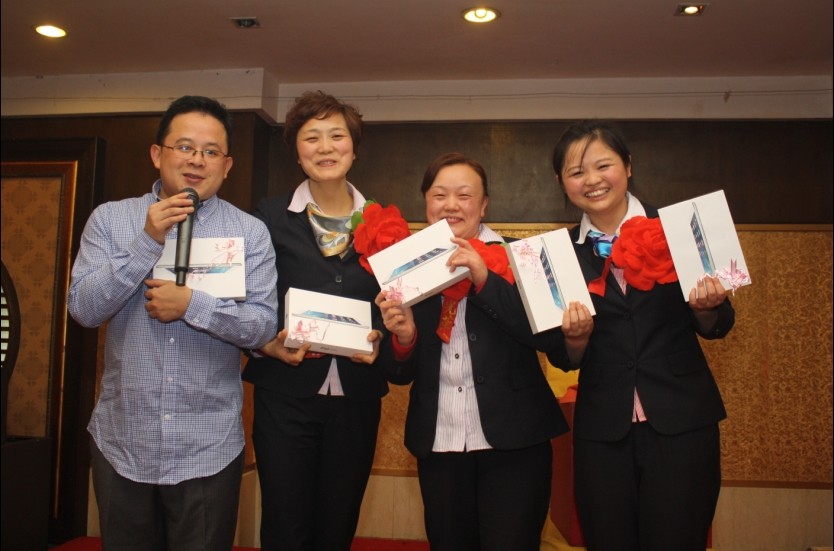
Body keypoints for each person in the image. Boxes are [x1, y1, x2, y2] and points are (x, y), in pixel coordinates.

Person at [67, 95, 279, 550]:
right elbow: (84, 309)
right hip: (123, 441)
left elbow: (262, 327)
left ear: (227, 166)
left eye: (210, 151)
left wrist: (193, 306)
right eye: (184, 147)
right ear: (157, 153)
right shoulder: (110, 220)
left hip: (208, 447)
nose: (196, 160)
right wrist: (147, 241)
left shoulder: (249, 232)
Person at [547, 120, 734, 551]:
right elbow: (563, 356)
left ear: (628, 166)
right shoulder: (558, 256)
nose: (592, 180)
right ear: (562, 182)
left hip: (682, 423)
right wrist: (575, 338)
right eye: (576, 172)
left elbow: (721, 323)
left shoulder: (680, 229)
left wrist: (705, 307)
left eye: (603, 166)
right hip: (603, 432)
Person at [375, 152, 576, 551]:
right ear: (426, 202)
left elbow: (555, 345)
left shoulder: (521, 258)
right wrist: (404, 338)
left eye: (464, 195)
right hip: (440, 443)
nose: (451, 205)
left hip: (516, 442)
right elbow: (398, 374)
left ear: (484, 205)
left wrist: (484, 278)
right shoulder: (403, 269)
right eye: (439, 195)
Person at [241, 91, 387, 551]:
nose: (325, 147)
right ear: (297, 151)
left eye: (337, 136)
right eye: (312, 137)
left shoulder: (385, 221)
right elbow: (247, 298)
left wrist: (383, 336)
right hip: (285, 394)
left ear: (354, 148)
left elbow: (394, 304)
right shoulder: (267, 217)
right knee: (285, 526)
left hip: (357, 397)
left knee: (338, 526)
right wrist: (265, 342)